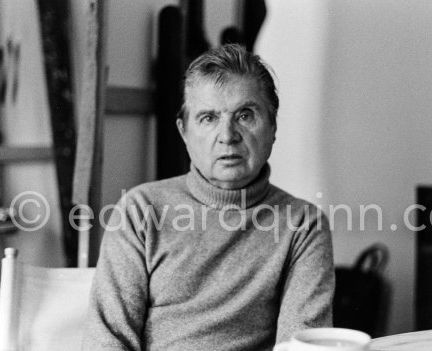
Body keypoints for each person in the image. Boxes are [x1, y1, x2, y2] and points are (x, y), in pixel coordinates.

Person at [83, 44, 334, 351]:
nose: (228, 135)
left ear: (272, 127)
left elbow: (301, 347)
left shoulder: (303, 225)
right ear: (184, 132)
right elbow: (106, 343)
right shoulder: (140, 211)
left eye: (245, 115)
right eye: (208, 118)